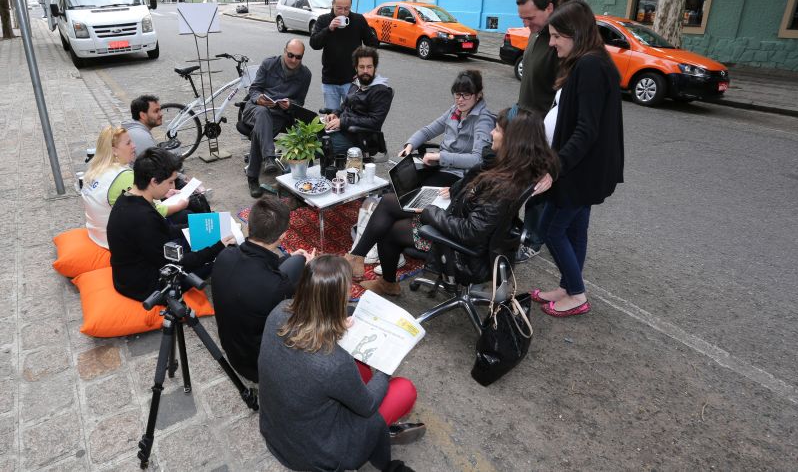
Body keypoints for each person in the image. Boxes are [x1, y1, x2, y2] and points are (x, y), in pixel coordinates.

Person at [348, 108, 560, 297]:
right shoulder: (514, 166)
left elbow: (470, 232)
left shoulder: (502, 185)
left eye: (496, 130)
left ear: (513, 140)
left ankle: (385, 281)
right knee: (389, 201)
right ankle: (358, 257)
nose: (490, 133)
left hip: (462, 249)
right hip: (459, 216)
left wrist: (430, 212)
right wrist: (453, 192)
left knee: (392, 230)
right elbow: (478, 175)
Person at [259, 255, 423, 472]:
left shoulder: (279, 310)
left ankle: (374, 438)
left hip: (277, 434)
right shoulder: (332, 362)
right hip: (317, 456)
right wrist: (387, 365)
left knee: (360, 371)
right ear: (337, 300)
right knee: (404, 391)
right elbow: (368, 407)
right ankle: (383, 457)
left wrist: (341, 318)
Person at [532, 0, 624, 318]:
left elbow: (587, 129)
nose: (552, 42)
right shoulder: (590, 62)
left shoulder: (590, 66)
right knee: (574, 230)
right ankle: (569, 286)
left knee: (551, 229)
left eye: (557, 36)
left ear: (576, 33)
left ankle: (577, 294)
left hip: (580, 170)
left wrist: (555, 168)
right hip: (581, 168)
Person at [107, 148, 234, 301]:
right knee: (224, 257)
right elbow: (173, 264)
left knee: (189, 225)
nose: (173, 187)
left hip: (131, 272)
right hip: (146, 287)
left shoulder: (128, 198)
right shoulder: (143, 218)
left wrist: (196, 227)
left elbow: (165, 229)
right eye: (170, 182)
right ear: (153, 181)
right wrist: (217, 248)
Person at [211, 195, 315, 383]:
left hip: (234, 351)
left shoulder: (225, 255)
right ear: (283, 236)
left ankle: (300, 261)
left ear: (249, 226)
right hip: (260, 366)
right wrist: (309, 274)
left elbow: (259, 267)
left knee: (297, 261)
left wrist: (292, 259)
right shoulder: (276, 286)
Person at [515, 0, 562, 263]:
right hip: (523, 120)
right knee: (517, 180)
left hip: (544, 129)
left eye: (530, 18)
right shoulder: (536, 33)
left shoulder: (558, 40)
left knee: (536, 188)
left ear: (550, 8)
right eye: (522, 18)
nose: (526, 24)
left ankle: (533, 239)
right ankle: (519, 229)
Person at [82, 126, 187, 249]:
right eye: (128, 143)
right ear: (114, 150)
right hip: (111, 241)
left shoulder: (93, 170)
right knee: (185, 216)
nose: (134, 146)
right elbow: (149, 211)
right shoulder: (122, 176)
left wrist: (164, 193)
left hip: (96, 233)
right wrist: (179, 206)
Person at [397, 70, 495, 188]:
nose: (460, 99)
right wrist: (410, 146)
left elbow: (477, 159)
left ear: (478, 95)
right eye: (457, 94)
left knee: (418, 192)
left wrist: (440, 156)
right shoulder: (454, 110)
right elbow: (428, 131)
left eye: (466, 95)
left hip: (459, 175)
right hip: (440, 165)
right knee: (401, 182)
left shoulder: (484, 120)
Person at [242, 39, 312, 198]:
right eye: (291, 55)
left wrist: (291, 104)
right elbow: (254, 89)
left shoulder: (305, 74)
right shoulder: (269, 64)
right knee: (262, 113)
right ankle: (269, 158)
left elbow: (300, 102)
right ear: (284, 51)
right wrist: (259, 98)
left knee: (259, 131)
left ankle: (252, 177)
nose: (294, 60)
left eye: (298, 57)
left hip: (279, 114)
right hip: (255, 109)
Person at [310, 0, 379, 110]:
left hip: (352, 81)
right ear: (332, 5)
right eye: (339, 8)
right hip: (330, 80)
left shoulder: (358, 19)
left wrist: (363, 66)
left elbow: (373, 44)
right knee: (332, 119)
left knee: (353, 118)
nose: (343, 12)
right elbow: (314, 44)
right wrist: (329, 28)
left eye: (346, 9)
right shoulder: (323, 20)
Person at [322, 46, 392, 155]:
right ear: (356, 68)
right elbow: (345, 105)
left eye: (369, 67)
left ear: (375, 68)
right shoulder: (357, 82)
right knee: (307, 135)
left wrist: (342, 121)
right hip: (342, 130)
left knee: (317, 146)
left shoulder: (381, 91)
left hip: (359, 138)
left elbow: (375, 122)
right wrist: (335, 114)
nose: (365, 71)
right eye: (362, 67)